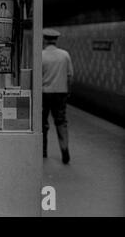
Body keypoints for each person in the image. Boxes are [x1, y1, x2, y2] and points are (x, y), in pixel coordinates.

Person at [42, 28, 74, 164]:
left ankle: (43, 151)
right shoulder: (65, 55)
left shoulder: (40, 55)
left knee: (43, 123)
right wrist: (68, 91)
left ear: (45, 39)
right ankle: (65, 150)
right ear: (56, 40)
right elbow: (70, 76)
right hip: (60, 93)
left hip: (44, 93)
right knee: (61, 122)